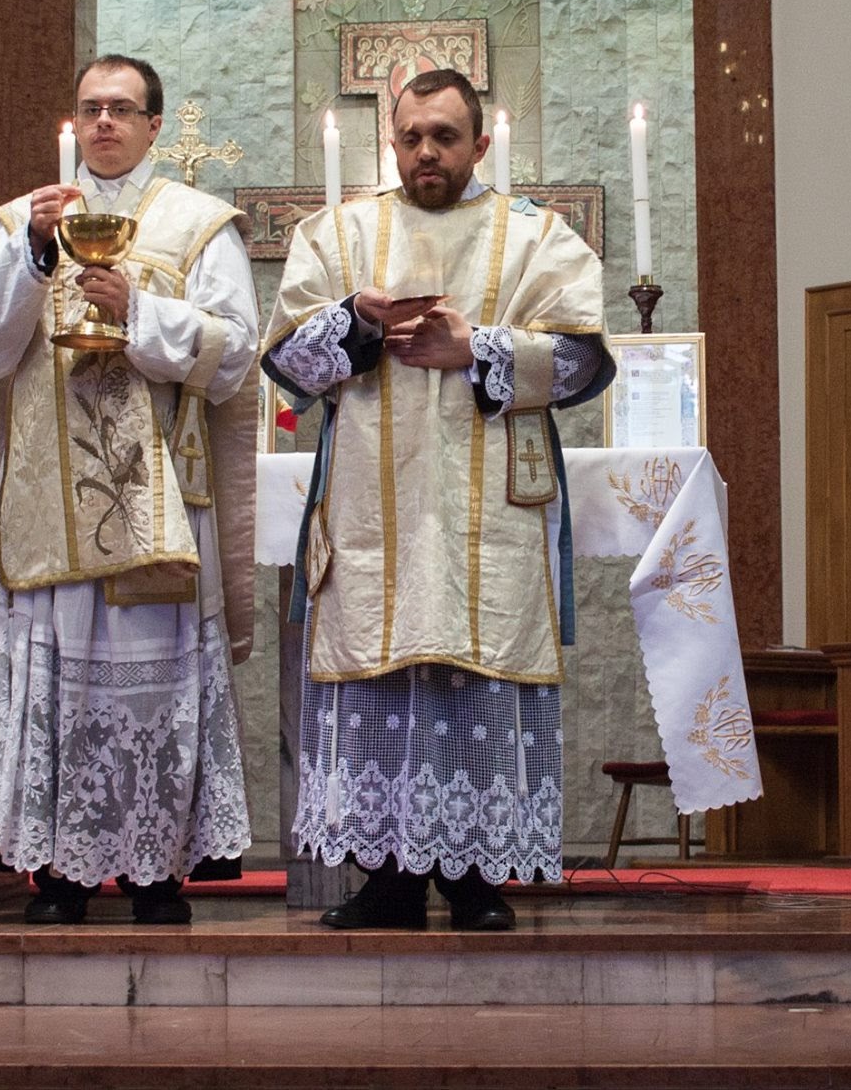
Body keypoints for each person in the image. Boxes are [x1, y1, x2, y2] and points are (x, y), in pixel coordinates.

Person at [262, 68, 615, 930]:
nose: (426, 151)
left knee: (470, 669)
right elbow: (285, 361)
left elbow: (579, 363)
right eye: (412, 135)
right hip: (371, 505)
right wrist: (358, 322)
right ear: (392, 139)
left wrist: (477, 346)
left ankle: (473, 875)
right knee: (384, 676)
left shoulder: (536, 237)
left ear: (482, 143)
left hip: (486, 504)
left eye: (445, 136)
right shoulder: (339, 234)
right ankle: (385, 876)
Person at [0, 54, 257, 925]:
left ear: (156, 125)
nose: (105, 123)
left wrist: (139, 315)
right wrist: (32, 253)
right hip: (51, 496)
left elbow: (235, 352)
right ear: (73, 122)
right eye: (91, 109)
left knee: (151, 681)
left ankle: (157, 869)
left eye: (123, 109)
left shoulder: (198, 224)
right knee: (64, 684)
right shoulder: (28, 219)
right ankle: (62, 871)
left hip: (154, 495)